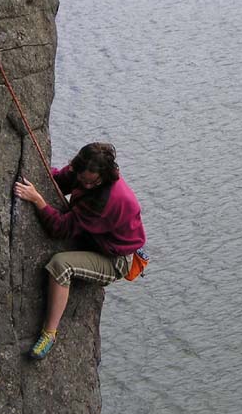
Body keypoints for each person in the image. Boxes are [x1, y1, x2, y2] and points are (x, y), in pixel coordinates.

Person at [13, 142, 146, 359]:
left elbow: (60, 229)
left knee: (60, 265)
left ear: (102, 177)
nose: (85, 185)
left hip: (116, 259)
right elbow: (59, 180)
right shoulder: (83, 172)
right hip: (97, 240)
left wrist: (37, 199)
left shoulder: (106, 199)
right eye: (82, 179)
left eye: (91, 182)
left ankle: (49, 334)